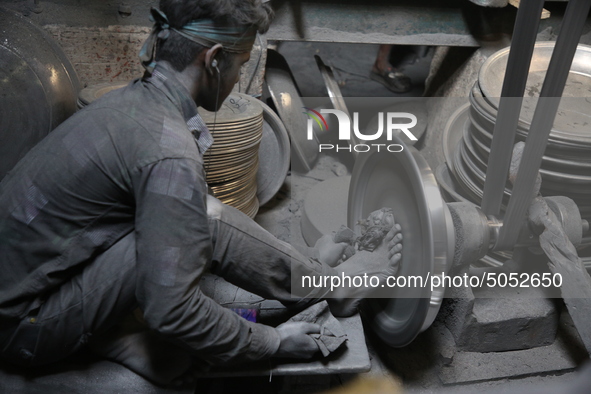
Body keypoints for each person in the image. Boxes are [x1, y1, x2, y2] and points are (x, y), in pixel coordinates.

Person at [0, 0, 402, 385]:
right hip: (23, 327)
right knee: (201, 221)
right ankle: (333, 286)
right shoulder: (167, 151)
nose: (237, 78)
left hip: (29, 290)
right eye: (241, 65)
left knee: (194, 215)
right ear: (212, 60)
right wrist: (272, 343)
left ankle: (314, 277)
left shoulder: (129, 103)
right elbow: (172, 311)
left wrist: (305, 262)